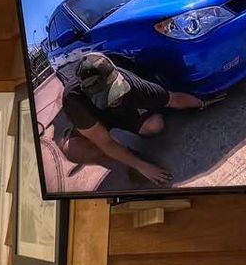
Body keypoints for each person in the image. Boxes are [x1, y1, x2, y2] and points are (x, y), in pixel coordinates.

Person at [56, 51, 217, 186]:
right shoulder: (74, 101)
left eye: (116, 91)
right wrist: (142, 166)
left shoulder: (136, 85)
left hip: (121, 115)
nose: (114, 99)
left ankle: (126, 151)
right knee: (75, 150)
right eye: (106, 96)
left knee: (155, 125)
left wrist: (203, 102)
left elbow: (174, 99)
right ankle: (124, 160)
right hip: (94, 121)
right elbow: (105, 142)